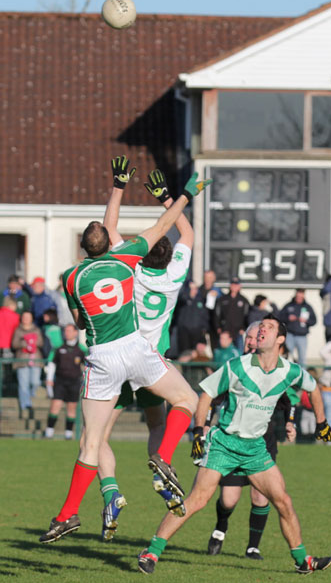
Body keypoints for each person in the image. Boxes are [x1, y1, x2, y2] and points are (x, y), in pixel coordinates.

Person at [38, 156, 211, 544]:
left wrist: (117, 185)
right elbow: (168, 227)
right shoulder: (133, 259)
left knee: (92, 442)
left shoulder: (72, 277)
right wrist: (182, 195)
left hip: (103, 358)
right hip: (143, 351)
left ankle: (70, 512)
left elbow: (81, 321)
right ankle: (162, 457)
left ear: (84, 248)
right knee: (185, 401)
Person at [137, 314, 331, 577]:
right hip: (224, 444)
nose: (262, 330)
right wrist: (198, 432)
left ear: (280, 340)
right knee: (198, 500)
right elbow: (206, 394)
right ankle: (151, 551)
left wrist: (322, 423)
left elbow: (313, 388)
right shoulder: (237, 366)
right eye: (261, 326)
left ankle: (302, 561)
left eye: (270, 328)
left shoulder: (290, 371)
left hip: (255, 449)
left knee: (284, 501)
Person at [96, 167, 198, 540]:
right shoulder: (174, 276)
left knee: (98, 437)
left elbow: (108, 233)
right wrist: (167, 198)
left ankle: (111, 491)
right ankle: (163, 467)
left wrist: (118, 187)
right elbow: (186, 232)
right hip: (154, 365)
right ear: (171, 257)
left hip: (121, 362)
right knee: (158, 424)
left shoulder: (129, 267)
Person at [206, 321, 297, 560]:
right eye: (249, 337)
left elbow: (290, 399)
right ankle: (220, 527)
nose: (252, 341)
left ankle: (253, 546)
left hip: (262, 440)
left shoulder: (276, 367)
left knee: (261, 495)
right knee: (228, 499)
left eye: (256, 337)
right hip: (231, 440)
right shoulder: (236, 367)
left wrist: (290, 421)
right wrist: (205, 422)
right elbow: (213, 397)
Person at [44, 324, 86, 440]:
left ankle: (68, 433)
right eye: (65, 331)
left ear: (75, 333)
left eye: (69, 331)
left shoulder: (81, 349)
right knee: (55, 405)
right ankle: (49, 431)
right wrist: (49, 379)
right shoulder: (58, 348)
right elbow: (52, 363)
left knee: (71, 407)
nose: (67, 333)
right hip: (60, 381)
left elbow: (87, 365)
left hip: (74, 382)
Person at [11, 310, 44, 418]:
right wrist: (24, 343)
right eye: (24, 317)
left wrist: (32, 342)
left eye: (28, 317)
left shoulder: (36, 330)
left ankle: (30, 397)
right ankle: (25, 405)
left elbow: (41, 342)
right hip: (22, 361)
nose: (26, 319)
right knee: (23, 384)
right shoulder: (18, 330)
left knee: (35, 382)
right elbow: (14, 344)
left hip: (35, 360)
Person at [279, 288, 316, 366]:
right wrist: (288, 318)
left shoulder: (308, 307)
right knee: (288, 356)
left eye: (301, 297)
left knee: (302, 358)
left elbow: (314, 321)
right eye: (298, 296)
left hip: (302, 336)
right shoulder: (289, 305)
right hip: (290, 334)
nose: (299, 298)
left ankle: (302, 376)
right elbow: (280, 317)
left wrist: (306, 321)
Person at [214, 277, 249, 354]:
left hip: (238, 332)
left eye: (236, 285)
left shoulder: (243, 300)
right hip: (225, 331)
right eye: (233, 285)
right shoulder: (222, 299)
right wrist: (218, 327)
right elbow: (217, 314)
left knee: (239, 352)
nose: (234, 287)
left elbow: (247, 316)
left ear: (239, 286)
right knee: (223, 352)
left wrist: (243, 328)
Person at [177, 281, 210, 355]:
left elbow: (205, 316)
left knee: (196, 353)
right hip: (184, 332)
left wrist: (205, 328)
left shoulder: (200, 300)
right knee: (185, 353)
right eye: (191, 288)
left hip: (197, 332)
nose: (194, 291)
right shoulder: (183, 300)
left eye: (195, 288)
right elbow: (181, 298)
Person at [198, 269, 222, 350]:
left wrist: (217, 295)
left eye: (210, 277)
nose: (208, 279)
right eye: (206, 277)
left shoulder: (218, 292)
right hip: (201, 322)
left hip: (214, 323)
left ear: (214, 279)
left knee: (215, 346)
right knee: (200, 346)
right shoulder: (199, 291)